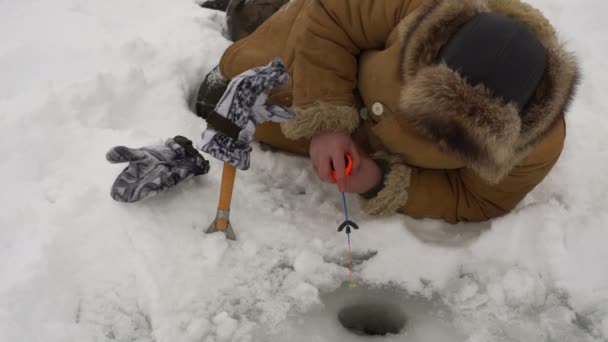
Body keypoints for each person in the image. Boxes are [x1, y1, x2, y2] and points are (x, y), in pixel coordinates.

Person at [195, 0, 580, 223]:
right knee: (219, 90)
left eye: (446, 135)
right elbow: (330, 18)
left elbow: (475, 200)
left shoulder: (535, 145)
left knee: (228, 110)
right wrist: (325, 122)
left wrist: (377, 180)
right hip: (318, 45)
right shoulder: (417, 7)